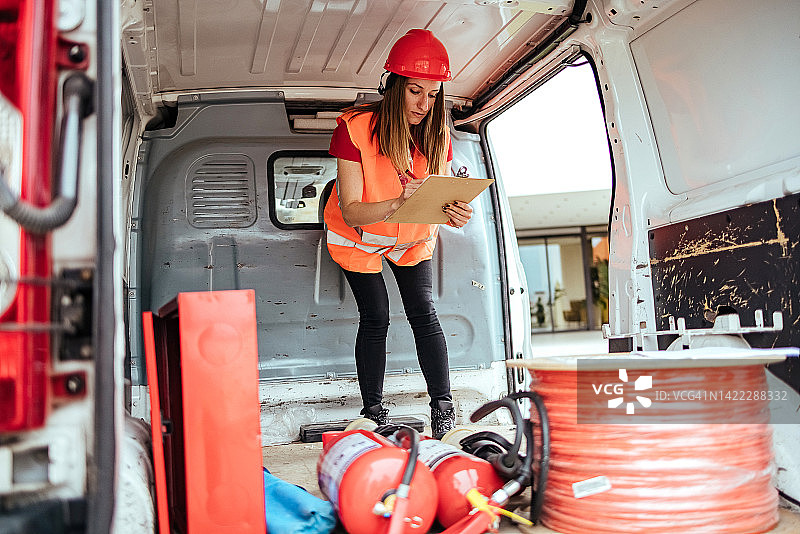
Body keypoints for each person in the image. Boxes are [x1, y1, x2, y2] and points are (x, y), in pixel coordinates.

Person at [323, 29, 472, 439]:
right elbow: (352, 211)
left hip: (410, 240)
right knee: (377, 317)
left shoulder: (438, 135)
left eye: (432, 94)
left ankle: (444, 410)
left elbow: (439, 200)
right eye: (414, 91)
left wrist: (454, 213)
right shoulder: (354, 129)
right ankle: (373, 412)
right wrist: (397, 203)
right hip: (360, 239)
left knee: (423, 313)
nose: (424, 105)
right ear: (393, 88)